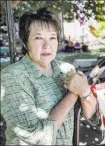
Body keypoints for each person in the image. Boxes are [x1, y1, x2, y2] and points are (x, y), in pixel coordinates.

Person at [0, 7, 99, 145]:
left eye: (52, 37)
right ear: (25, 42)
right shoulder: (12, 77)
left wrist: (85, 91)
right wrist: (72, 94)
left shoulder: (66, 70)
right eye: (38, 37)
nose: (47, 45)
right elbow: (37, 138)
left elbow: (92, 117)